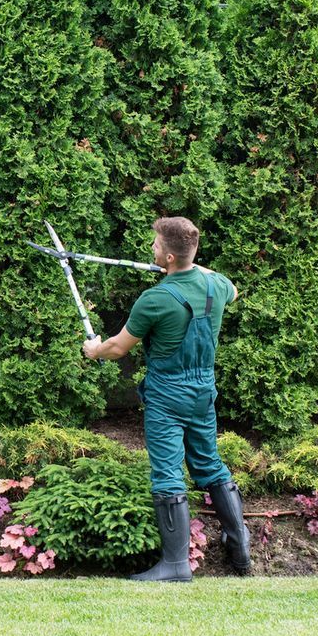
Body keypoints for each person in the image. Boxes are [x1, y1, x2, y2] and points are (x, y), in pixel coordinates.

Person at [81, 215, 251, 580]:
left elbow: (118, 348)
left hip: (168, 394)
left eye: (156, 245)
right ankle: (239, 546)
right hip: (203, 390)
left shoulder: (154, 300)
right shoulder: (216, 287)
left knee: (168, 471)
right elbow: (230, 286)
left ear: (170, 257)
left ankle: (176, 565)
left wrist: (94, 350)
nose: (152, 249)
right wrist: (190, 265)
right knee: (209, 463)